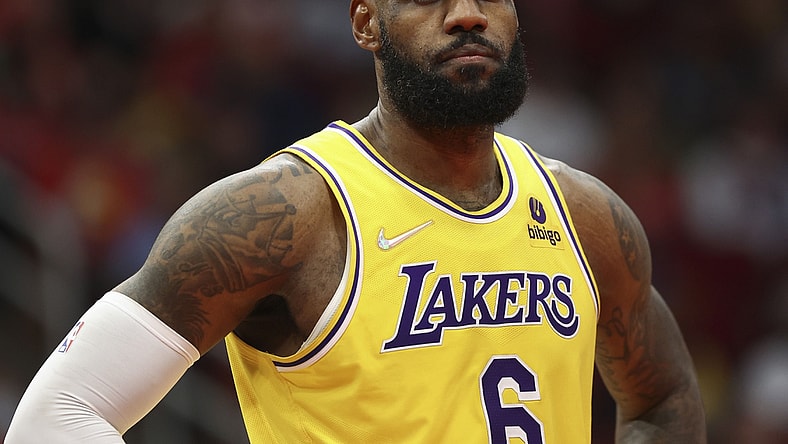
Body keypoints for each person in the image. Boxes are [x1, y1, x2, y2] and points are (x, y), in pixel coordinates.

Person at [7, 0, 707, 442]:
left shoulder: (584, 216)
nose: (467, 14)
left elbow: (664, 397)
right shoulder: (286, 214)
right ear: (365, 21)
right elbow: (59, 415)